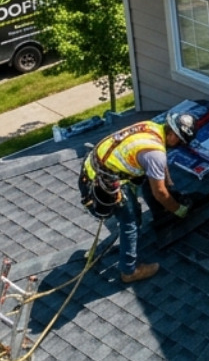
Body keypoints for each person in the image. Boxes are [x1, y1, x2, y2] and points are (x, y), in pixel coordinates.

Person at [81, 110, 196, 283]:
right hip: (103, 185)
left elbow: (160, 167)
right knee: (130, 220)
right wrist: (179, 210)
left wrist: (170, 185)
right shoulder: (155, 153)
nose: (179, 145)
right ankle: (129, 270)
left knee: (134, 201)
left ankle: (96, 253)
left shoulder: (152, 127)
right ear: (172, 134)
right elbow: (159, 193)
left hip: (90, 170)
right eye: (180, 141)